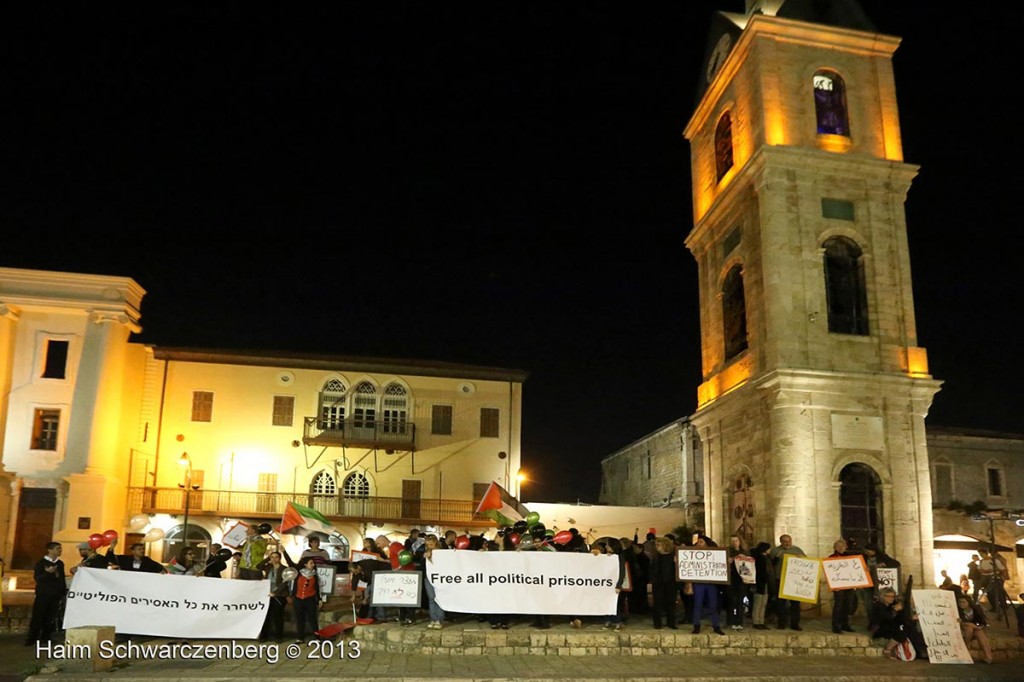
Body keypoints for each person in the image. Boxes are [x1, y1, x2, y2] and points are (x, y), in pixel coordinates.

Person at [26, 541, 67, 646]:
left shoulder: (60, 563)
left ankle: (46, 637)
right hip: (43, 594)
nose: (60, 551)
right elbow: (38, 578)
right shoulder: (41, 563)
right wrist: (47, 573)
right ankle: (32, 638)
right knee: (38, 615)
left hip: (55, 594)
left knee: (51, 616)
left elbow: (61, 579)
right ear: (50, 550)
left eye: (60, 549)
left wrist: (62, 592)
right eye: (58, 549)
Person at [690, 535, 725, 635]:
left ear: (706, 543)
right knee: (697, 604)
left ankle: (716, 625)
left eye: (701, 542)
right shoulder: (693, 554)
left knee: (713, 605)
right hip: (699, 582)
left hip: (711, 583)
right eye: (698, 542)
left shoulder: (713, 554)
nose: (698, 544)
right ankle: (696, 625)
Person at [769, 534, 804, 630]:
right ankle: (781, 623)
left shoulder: (797, 550)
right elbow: (770, 564)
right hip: (780, 579)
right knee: (781, 603)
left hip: (794, 580)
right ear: (781, 542)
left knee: (795, 603)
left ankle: (795, 624)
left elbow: (806, 563)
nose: (787, 543)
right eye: (784, 541)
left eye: (789, 541)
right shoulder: (776, 551)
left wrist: (802, 558)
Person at [870, 588, 910, 660]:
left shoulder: (891, 605)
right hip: (879, 628)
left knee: (906, 627)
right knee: (900, 632)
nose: (891, 598)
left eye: (893, 596)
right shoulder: (878, 606)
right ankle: (887, 650)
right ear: (883, 596)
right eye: (889, 596)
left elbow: (901, 618)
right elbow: (887, 617)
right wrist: (894, 610)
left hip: (889, 626)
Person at [259, 551, 290, 642]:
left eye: (276, 557)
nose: (274, 559)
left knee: (278, 616)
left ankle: (278, 636)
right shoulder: (268, 567)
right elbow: (258, 566)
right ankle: (263, 636)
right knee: (266, 616)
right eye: (272, 557)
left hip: (279, 595)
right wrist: (267, 558)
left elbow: (285, 583)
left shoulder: (284, 569)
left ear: (279, 558)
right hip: (267, 594)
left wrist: (276, 592)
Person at [649, 536, 678, 630]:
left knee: (671, 602)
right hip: (658, 582)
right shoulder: (655, 556)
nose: (656, 547)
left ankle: (671, 623)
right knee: (657, 603)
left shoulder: (673, 556)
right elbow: (652, 569)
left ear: (665, 545)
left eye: (658, 545)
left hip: (671, 582)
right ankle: (657, 623)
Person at [828, 539, 856, 633]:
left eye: (842, 546)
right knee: (838, 605)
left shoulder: (850, 557)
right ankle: (836, 626)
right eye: (838, 546)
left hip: (849, 585)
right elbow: (830, 573)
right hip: (838, 586)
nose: (840, 548)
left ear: (845, 547)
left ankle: (845, 624)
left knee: (848, 605)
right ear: (835, 548)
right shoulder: (831, 557)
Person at [290, 556, 321, 641]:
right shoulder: (298, 574)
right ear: (305, 564)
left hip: (310, 600)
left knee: (312, 619)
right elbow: (291, 563)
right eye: (311, 563)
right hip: (298, 599)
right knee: (300, 619)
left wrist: (319, 599)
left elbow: (317, 589)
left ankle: (317, 637)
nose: (313, 565)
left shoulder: (314, 575)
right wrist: (284, 552)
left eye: (313, 563)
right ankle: (300, 638)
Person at [956, 595, 993, 664]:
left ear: (969, 603)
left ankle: (988, 656)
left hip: (974, 628)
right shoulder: (957, 610)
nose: (961, 604)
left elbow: (983, 623)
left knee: (979, 633)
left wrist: (977, 627)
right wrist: (969, 625)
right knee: (968, 628)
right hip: (964, 628)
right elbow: (959, 622)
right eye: (960, 602)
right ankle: (965, 649)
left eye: (963, 602)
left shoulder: (976, 610)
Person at [725, 534, 750, 631]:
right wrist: (734, 558)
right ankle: (731, 620)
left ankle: (739, 622)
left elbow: (749, 567)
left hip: (741, 579)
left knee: (740, 601)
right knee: (731, 600)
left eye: (736, 540)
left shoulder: (745, 552)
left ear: (739, 541)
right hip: (731, 578)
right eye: (732, 541)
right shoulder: (728, 552)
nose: (734, 543)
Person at [421, 534, 446, 629]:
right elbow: (422, 566)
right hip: (428, 578)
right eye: (427, 545)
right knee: (431, 599)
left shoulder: (442, 553)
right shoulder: (425, 552)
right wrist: (424, 558)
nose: (429, 547)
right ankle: (432, 619)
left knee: (439, 598)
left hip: (440, 578)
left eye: (431, 544)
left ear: (436, 543)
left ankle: (439, 620)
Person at [750, 541, 772, 630]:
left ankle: (761, 621)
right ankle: (756, 621)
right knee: (758, 603)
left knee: (763, 603)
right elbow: (759, 572)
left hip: (766, 583)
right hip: (759, 583)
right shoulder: (758, 558)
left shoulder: (766, 558)